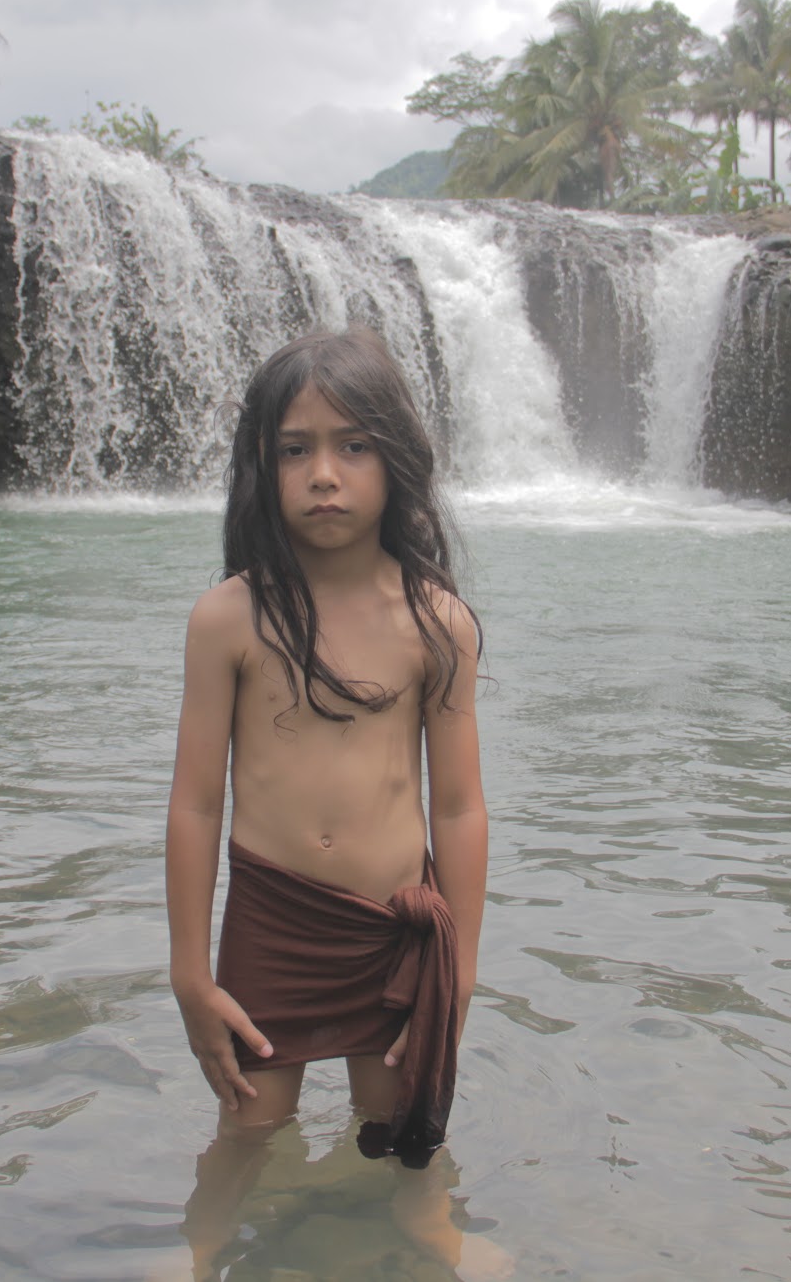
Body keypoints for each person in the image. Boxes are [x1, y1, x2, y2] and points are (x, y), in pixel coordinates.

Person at [163, 326, 493, 1276]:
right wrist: (192, 971)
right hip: (274, 917)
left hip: (393, 925)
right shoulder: (231, 615)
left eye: (353, 446)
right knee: (248, 1119)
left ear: (397, 461)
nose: (324, 474)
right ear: (260, 468)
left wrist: (460, 964)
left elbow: (461, 809)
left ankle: (429, 1227)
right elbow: (194, 804)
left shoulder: (438, 623)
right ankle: (203, 1244)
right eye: (295, 448)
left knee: (400, 1116)